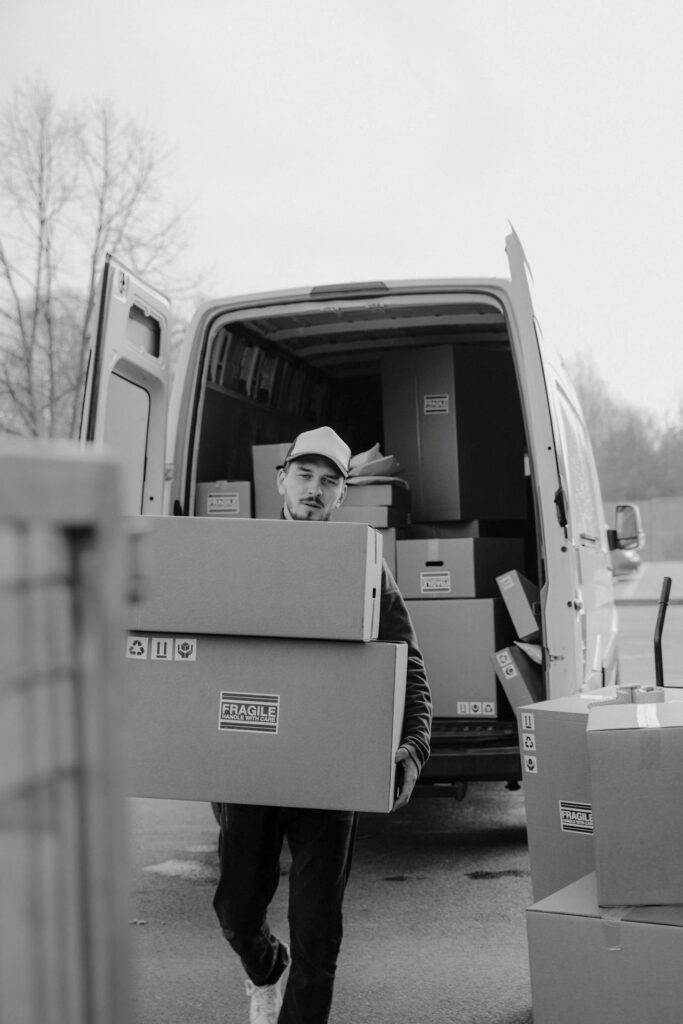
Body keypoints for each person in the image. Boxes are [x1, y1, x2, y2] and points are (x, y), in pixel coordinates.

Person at [213, 426, 432, 1024]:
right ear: (281, 479)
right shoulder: (239, 556)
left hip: (330, 772)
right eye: (305, 475)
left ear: (342, 497)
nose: (314, 490)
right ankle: (264, 968)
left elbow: (406, 663)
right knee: (234, 909)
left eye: (329, 481)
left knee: (317, 928)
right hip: (251, 766)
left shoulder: (365, 569)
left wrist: (412, 747)